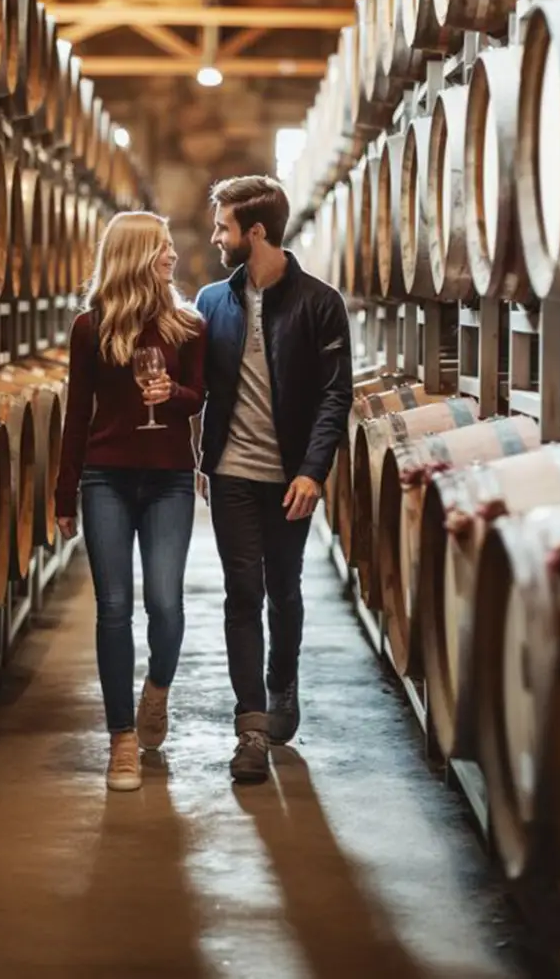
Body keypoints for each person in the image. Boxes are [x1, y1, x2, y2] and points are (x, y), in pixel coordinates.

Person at [195, 175, 353, 784]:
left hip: (289, 478)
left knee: (284, 590)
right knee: (242, 594)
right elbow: (197, 385)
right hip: (232, 472)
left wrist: (314, 471)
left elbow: (334, 397)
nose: (215, 237)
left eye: (223, 227)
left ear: (254, 233)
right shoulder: (212, 301)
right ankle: (251, 726)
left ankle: (282, 682)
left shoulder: (319, 302)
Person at [55, 211, 207, 793]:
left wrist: (172, 397)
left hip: (169, 476)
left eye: (171, 245)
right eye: (163, 247)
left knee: (165, 604)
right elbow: (78, 416)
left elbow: (199, 400)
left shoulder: (188, 326)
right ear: (136, 255)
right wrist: (64, 491)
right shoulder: (90, 328)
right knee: (113, 608)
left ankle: (158, 688)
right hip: (106, 479)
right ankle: (121, 737)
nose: (173, 255)